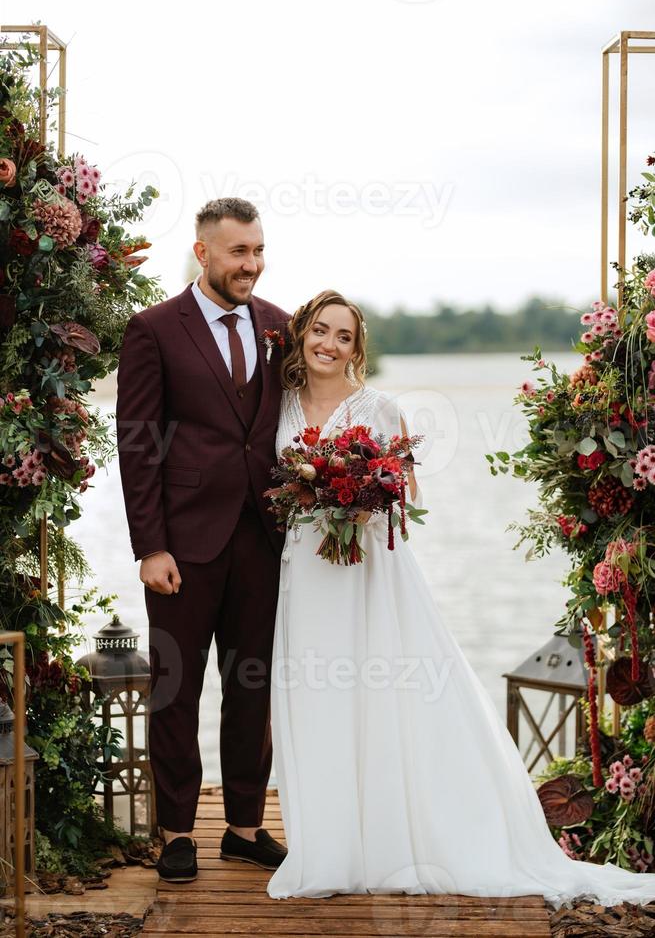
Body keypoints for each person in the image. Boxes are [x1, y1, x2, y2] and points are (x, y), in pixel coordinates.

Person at [266, 289, 655, 909]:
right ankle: (330, 847)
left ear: (357, 350)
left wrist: (358, 495)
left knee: (381, 693)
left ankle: (399, 840)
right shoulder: (278, 405)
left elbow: (406, 494)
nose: (329, 345)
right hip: (303, 574)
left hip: (368, 573)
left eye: (344, 336)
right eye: (320, 330)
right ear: (301, 335)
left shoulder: (380, 408)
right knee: (316, 698)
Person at [116, 198, 289, 882]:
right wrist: (149, 545)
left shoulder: (282, 326)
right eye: (238, 252)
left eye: (257, 250)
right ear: (203, 252)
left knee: (253, 685)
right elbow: (136, 443)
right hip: (183, 543)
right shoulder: (154, 329)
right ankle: (177, 832)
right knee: (175, 687)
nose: (251, 263)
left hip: (265, 538)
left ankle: (244, 827)